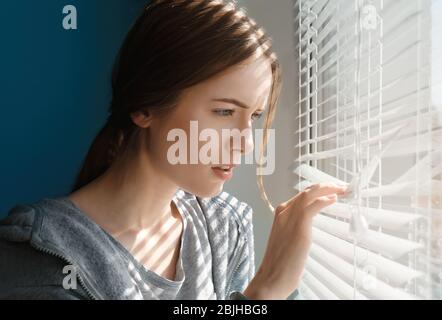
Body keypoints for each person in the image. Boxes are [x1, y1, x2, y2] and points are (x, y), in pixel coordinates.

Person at [0, 0, 346, 300]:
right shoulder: (45, 257)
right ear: (144, 107)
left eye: (253, 116)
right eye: (224, 111)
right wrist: (266, 290)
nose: (245, 143)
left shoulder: (225, 227)